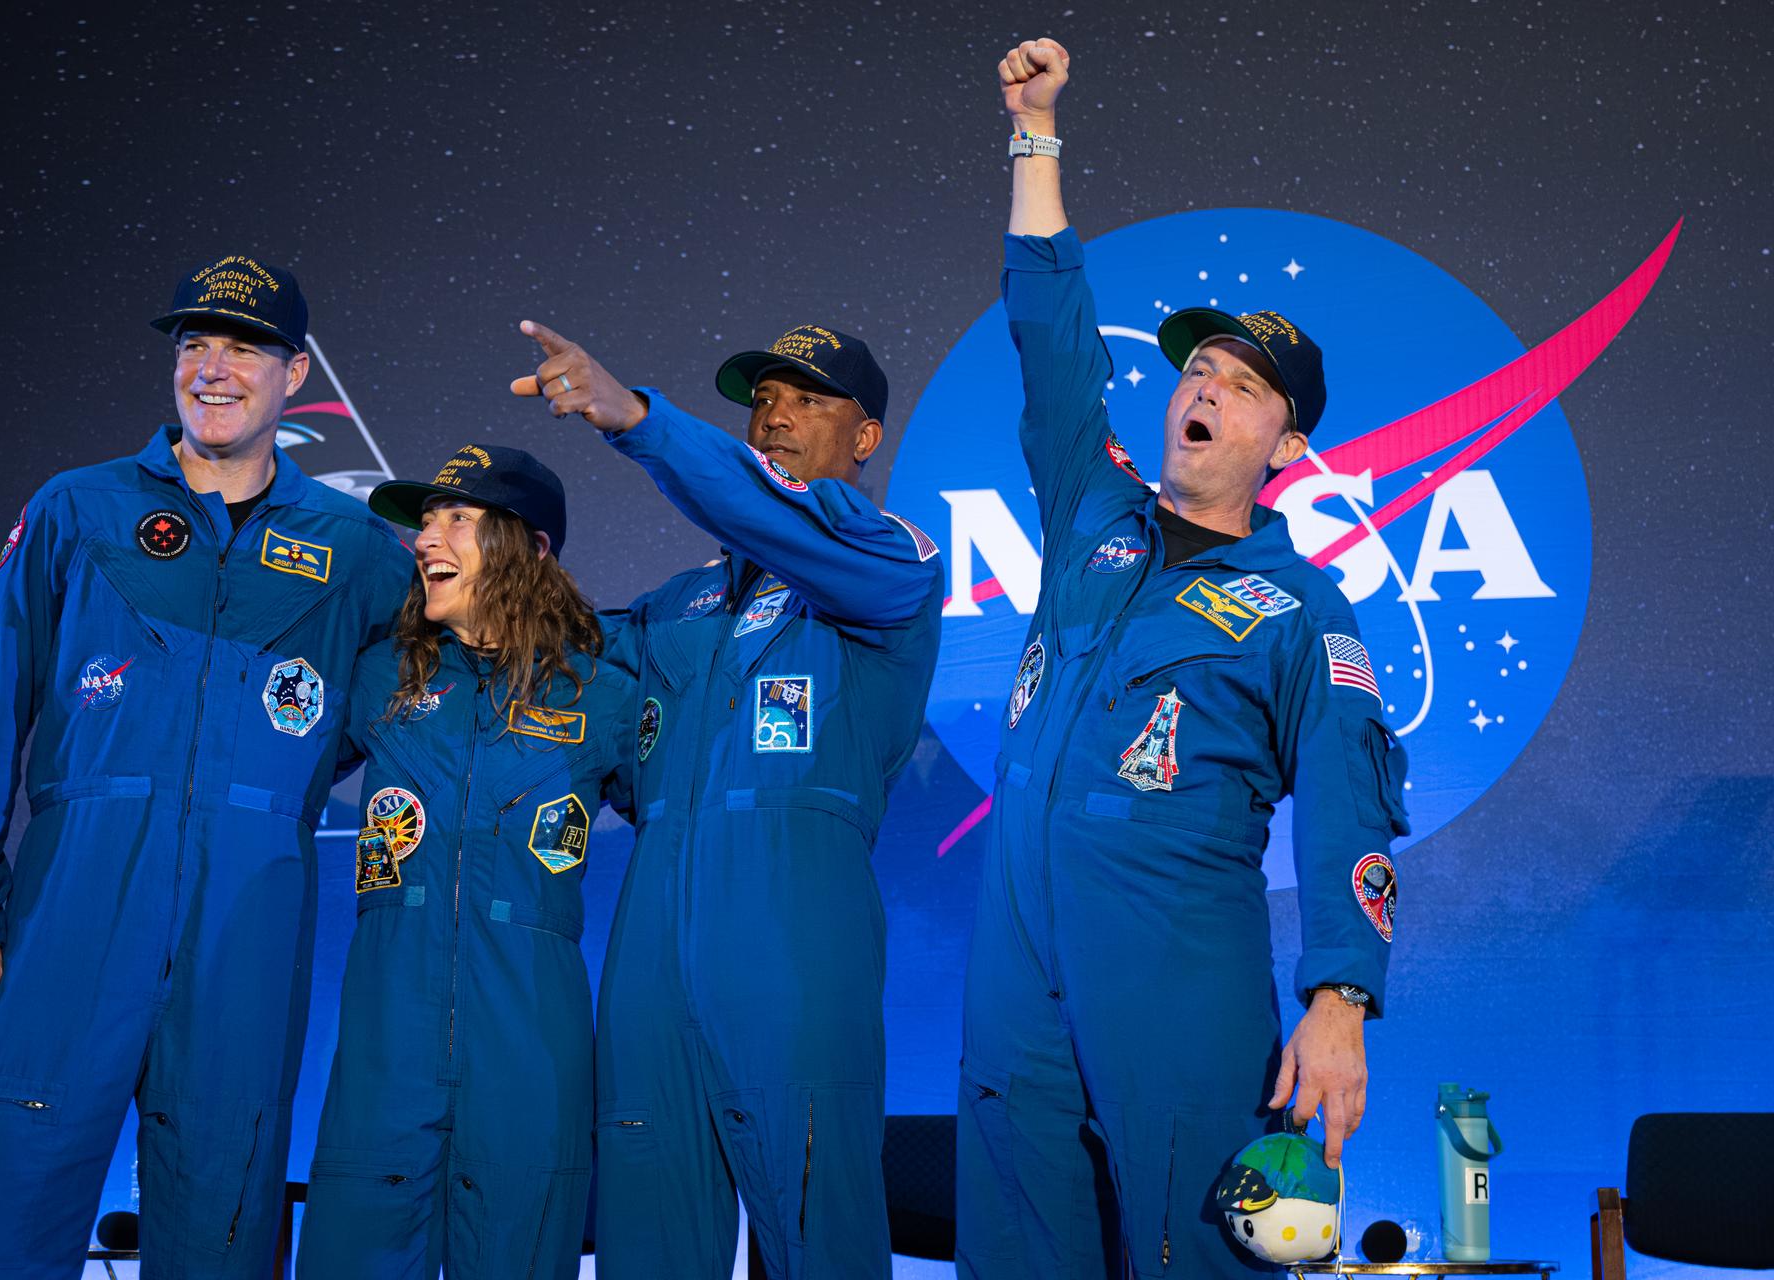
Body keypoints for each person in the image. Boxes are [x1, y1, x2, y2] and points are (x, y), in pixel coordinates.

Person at [954, 40, 1412, 1279]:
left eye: (1244, 384)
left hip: (1175, 967)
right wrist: (1036, 133)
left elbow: (1351, 806)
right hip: (1017, 964)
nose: (1205, 387)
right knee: (1015, 1242)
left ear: (1286, 437)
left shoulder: (1298, 607)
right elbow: (1053, 339)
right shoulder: (1091, 518)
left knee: (1191, 1250)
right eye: (1197, 369)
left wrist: (1338, 998)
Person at [0, 256, 409, 1278]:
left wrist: (277, 775)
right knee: (10, 1213)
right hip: (77, 896)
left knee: (220, 1217)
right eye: (195, 344)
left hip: (251, 910)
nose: (214, 367)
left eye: (243, 346)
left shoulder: (358, 545)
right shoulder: (76, 509)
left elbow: (396, 712)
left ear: (292, 372)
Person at [510, 320, 944, 1278]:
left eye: (808, 399)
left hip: (793, 943)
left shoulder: (891, 565)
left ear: (865, 438)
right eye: (762, 398)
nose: (775, 414)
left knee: (814, 1235)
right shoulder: (670, 607)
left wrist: (636, 419)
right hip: (651, 950)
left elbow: (764, 511)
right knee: (647, 1236)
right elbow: (589, 735)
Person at [296, 443, 636, 1278]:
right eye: (426, 519)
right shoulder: (379, 676)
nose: (426, 538)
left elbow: (688, 839)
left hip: (529, 1051)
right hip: (386, 1050)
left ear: (531, 547)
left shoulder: (607, 694)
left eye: (459, 518)